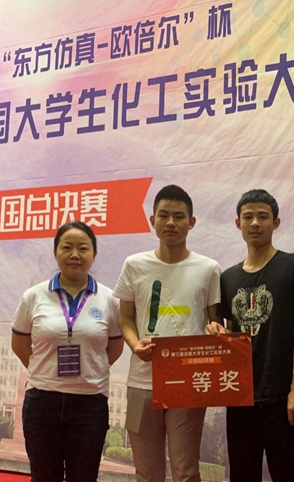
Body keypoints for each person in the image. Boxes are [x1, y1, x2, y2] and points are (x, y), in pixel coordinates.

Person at [113, 185, 221, 482]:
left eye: (179, 216)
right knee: (146, 472)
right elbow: (125, 318)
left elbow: (216, 322)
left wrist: (216, 329)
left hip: (188, 382)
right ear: (152, 220)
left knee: (186, 471)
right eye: (164, 215)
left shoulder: (208, 269)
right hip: (140, 382)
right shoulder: (134, 265)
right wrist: (134, 344)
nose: (171, 222)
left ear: (192, 222)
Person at [206, 189, 294, 482]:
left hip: (282, 397)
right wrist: (217, 331)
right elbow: (230, 332)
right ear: (238, 223)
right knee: (242, 475)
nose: (255, 223)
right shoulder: (228, 277)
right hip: (239, 395)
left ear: (276, 222)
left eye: (263, 217)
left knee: (288, 474)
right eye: (248, 217)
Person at [11, 221, 123, 482]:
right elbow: (19, 344)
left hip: (89, 405)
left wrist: (91, 370)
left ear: (94, 254)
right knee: (43, 477)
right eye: (67, 248)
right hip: (42, 401)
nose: (75, 254)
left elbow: (115, 347)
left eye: (83, 248)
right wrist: (44, 370)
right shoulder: (33, 296)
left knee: (83, 477)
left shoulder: (109, 299)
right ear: (55, 253)